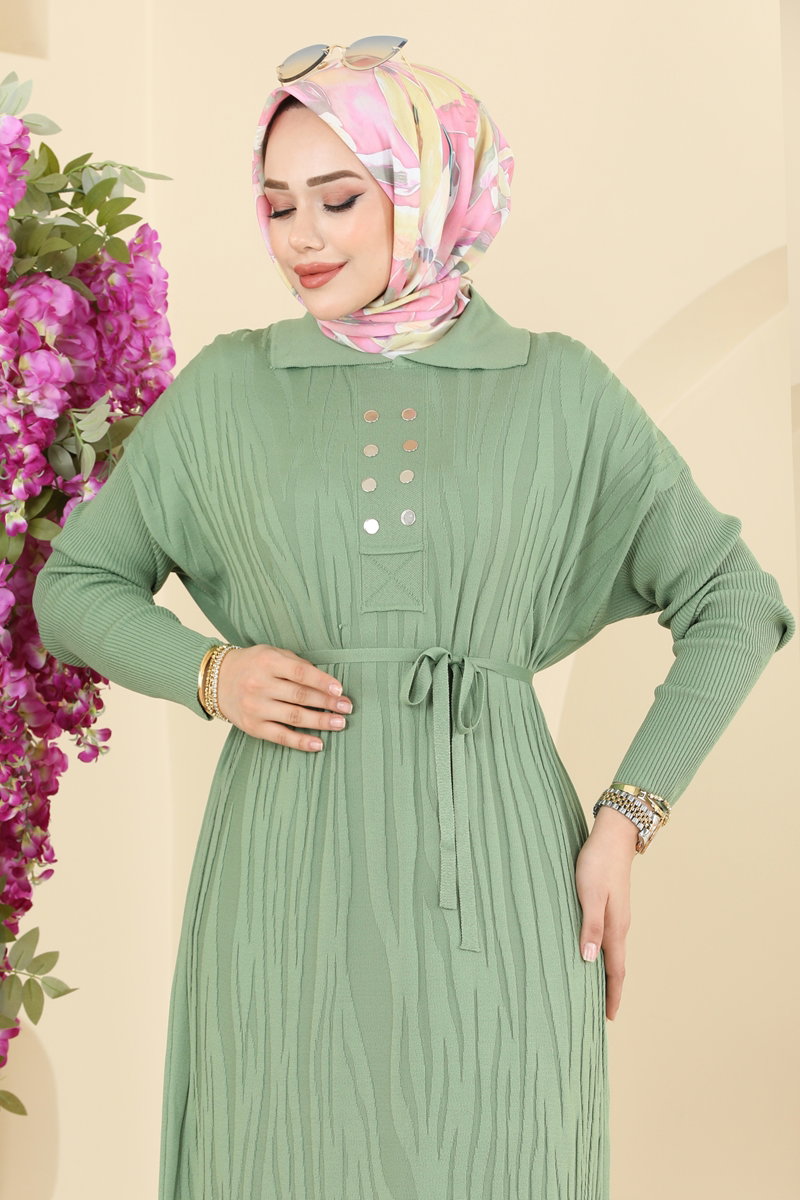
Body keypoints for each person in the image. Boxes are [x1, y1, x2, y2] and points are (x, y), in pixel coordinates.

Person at [31, 36, 796, 1200]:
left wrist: (626, 818)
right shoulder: (229, 390)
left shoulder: (558, 390)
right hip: (285, 871)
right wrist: (208, 673)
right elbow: (74, 587)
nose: (301, 235)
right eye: (278, 203)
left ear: (432, 191)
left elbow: (733, 601)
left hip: (497, 869)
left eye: (339, 198)